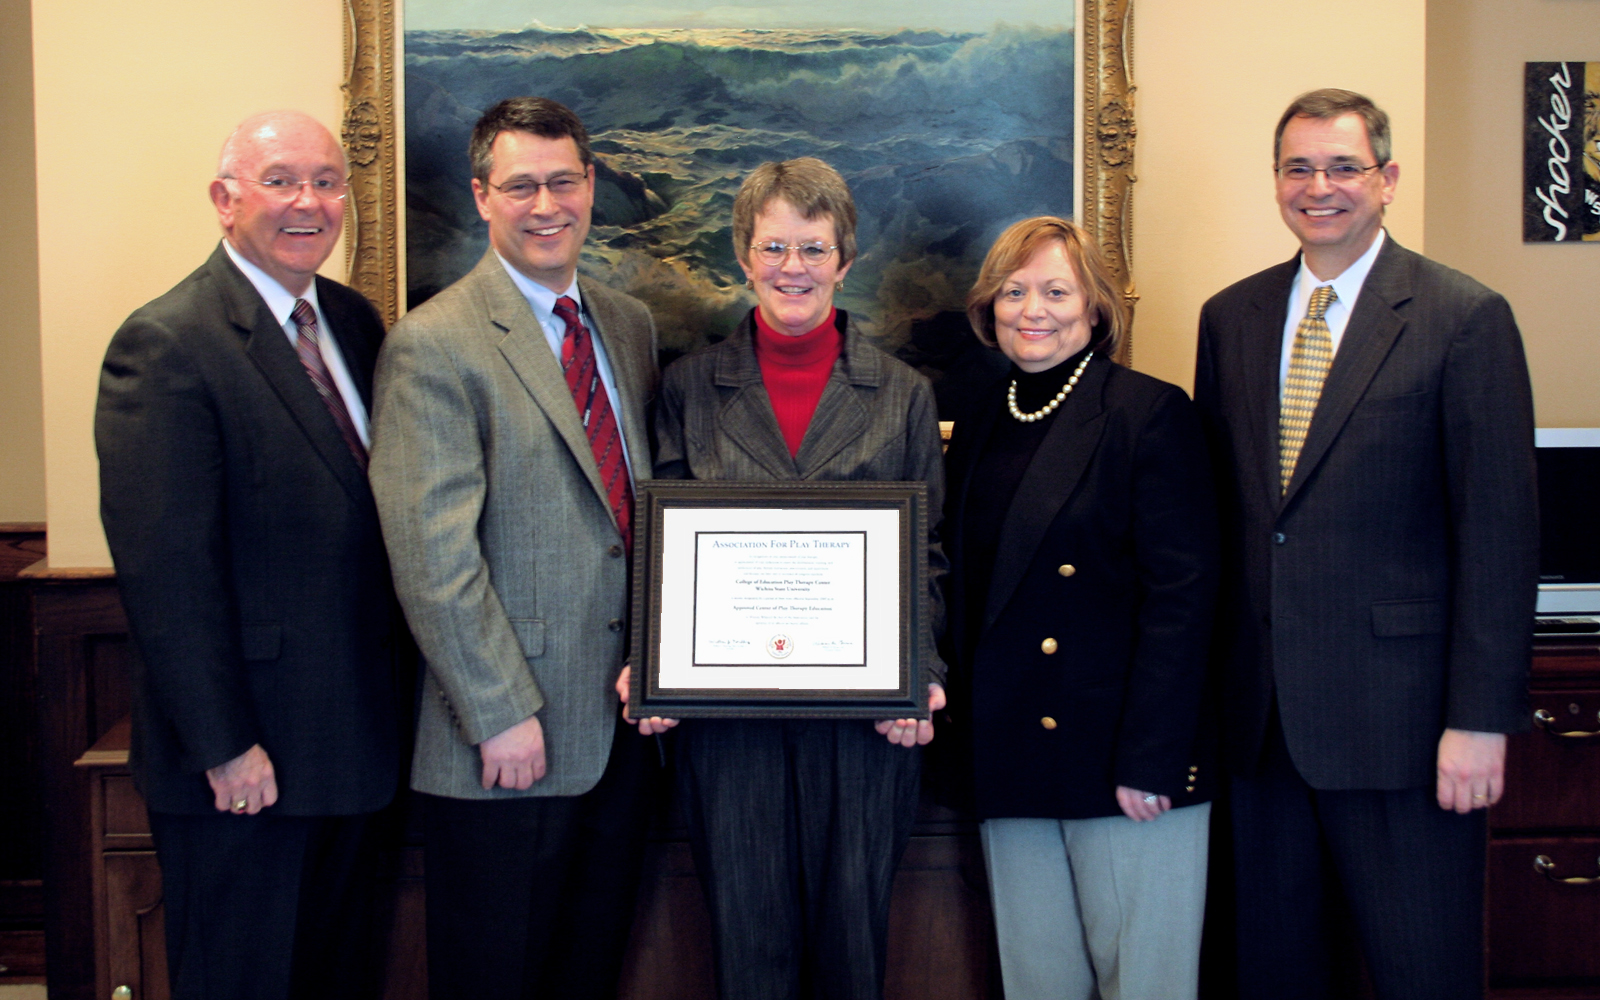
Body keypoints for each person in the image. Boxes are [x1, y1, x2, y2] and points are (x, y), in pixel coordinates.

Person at [1193, 88, 1538, 999]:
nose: (1321, 187)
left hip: (1409, 730)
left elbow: (1501, 536)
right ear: (1276, 183)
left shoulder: (1463, 318)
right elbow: (1230, 520)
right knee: (1272, 977)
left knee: (1423, 973)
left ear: (1386, 180)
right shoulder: (1230, 319)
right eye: (1299, 167)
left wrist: (1479, 720)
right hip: (1261, 730)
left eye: (1344, 166)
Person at [95, 111, 402, 1000]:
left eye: (327, 181)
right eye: (281, 181)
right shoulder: (166, 344)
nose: (309, 202)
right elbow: (165, 576)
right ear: (224, 200)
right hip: (247, 767)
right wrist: (226, 746)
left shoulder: (351, 320)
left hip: (359, 750)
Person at [368, 96, 660, 999]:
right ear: (482, 196)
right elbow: (431, 552)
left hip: (624, 732)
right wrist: (498, 710)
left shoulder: (628, 324)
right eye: (521, 185)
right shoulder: (433, 343)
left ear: (591, 185)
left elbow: (634, 519)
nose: (547, 205)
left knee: (589, 973)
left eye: (563, 182)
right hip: (506, 742)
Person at [645, 156, 947, 999]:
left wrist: (920, 674)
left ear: (847, 260)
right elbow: (661, 547)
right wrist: (657, 659)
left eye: (814, 248)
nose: (792, 268)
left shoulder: (902, 394)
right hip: (727, 723)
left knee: (853, 952)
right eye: (773, 245)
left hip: (865, 724)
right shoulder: (688, 388)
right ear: (743, 255)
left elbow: (928, 550)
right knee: (748, 952)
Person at [939, 216, 1218, 1000]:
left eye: (1057, 290)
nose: (1034, 308)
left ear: (1095, 307)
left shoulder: (1148, 413)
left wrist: (1153, 759)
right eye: (1013, 290)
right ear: (989, 306)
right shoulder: (986, 415)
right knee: (1039, 985)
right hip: (1011, 759)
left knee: (1146, 986)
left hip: (1125, 768)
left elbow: (1184, 600)